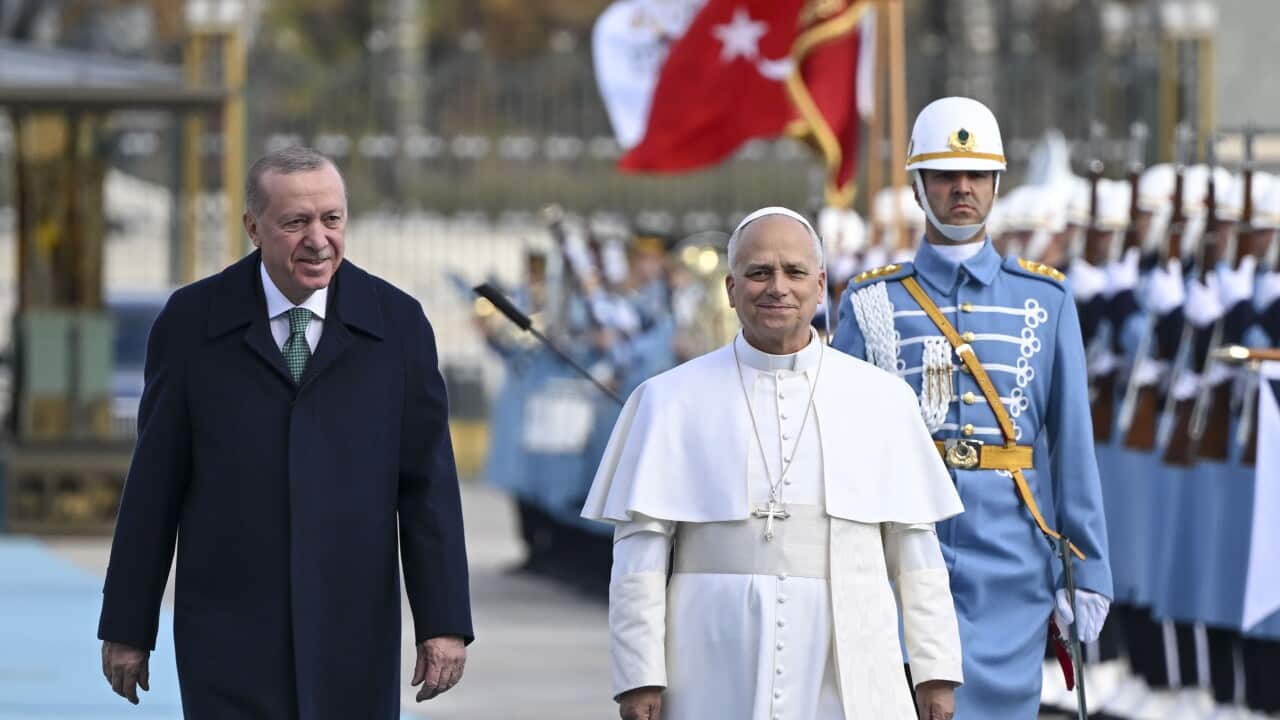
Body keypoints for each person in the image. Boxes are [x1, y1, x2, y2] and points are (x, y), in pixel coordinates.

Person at [97, 147, 473, 718]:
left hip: (353, 633)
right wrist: (128, 624)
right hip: (227, 634)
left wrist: (443, 622)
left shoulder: (398, 325)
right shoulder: (192, 323)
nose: (318, 240)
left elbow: (428, 487)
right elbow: (154, 485)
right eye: (296, 222)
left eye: (332, 219)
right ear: (253, 227)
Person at [583, 206, 966, 720]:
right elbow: (639, 559)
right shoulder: (668, 399)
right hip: (710, 660)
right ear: (731, 288)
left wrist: (935, 671)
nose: (777, 287)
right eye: (759, 272)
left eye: (794, 272)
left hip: (848, 655)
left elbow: (916, 553)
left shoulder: (883, 399)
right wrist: (638, 676)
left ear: (821, 285)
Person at [832, 97, 1113, 718]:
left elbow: (1072, 445)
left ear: (995, 184)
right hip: (899, 555)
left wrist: (1088, 566)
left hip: (1010, 561)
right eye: (945, 175)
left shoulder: (1046, 298)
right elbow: (841, 446)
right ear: (918, 186)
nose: (963, 188)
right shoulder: (871, 301)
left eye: (978, 174)